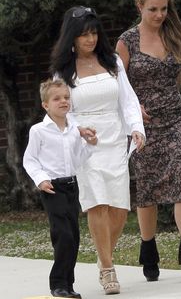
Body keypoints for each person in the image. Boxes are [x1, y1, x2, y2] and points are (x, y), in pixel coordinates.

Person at [49, 6, 145, 295]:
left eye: (93, 33)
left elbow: (128, 100)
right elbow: (63, 108)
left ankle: (105, 253)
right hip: (86, 145)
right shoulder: (62, 71)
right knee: (97, 203)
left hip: (116, 140)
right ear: (72, 38)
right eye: (83, 35)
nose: (90, 39)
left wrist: (136, 127)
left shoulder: (112, 61)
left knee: (119, 208)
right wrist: (78, 129)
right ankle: (107, 267)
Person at [116, 0, 181, 283]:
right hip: (142, 125)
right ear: (139, 6)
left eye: (164, 9)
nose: (159, 14)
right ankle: (149, 250)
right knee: (147, 188)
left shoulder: (174, 34)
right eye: (153, 9)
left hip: (175, 118)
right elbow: (118, 85)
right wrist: (133, 110)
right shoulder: (126, 42)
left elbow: (177, 77)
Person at [23, 78, 97, 298]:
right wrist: (41, 179)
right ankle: (57, 284)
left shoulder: (74, 129)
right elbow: (30, 160)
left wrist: (90, 145)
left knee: (73, 236)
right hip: (52, 188)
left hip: (71, 186)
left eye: (66, 97)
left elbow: (78, 160)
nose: (63, 101)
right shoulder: (38, 131)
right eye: (57, 99)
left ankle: (68, 284)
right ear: (46, 105)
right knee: (62, 235)